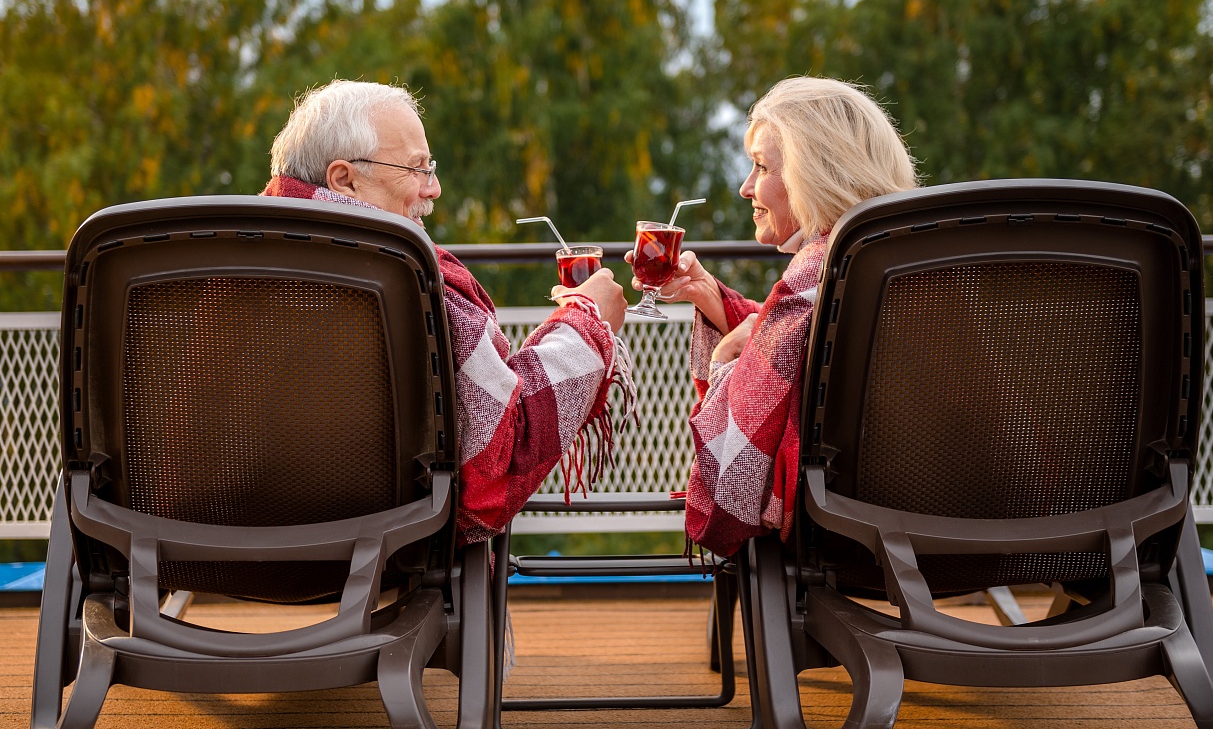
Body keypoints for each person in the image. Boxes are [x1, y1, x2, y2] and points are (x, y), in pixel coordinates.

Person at [262, 80, 632, 546]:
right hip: (392, 554)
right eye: (416, 168)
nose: (433, 188)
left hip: (214, 546)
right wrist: (586, 321)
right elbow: (498, 454)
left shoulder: (221, 268)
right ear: (344, 179)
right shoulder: (404, 277)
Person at [638, 76, 919, 558]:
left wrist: (725, 362)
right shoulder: (912, 261)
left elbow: (730, 483)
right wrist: (712, 298)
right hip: (982, 528)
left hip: (847, 542)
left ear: (814, 173)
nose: (746, 187)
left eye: (762, 166)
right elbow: (806, 348)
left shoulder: (820, 269)